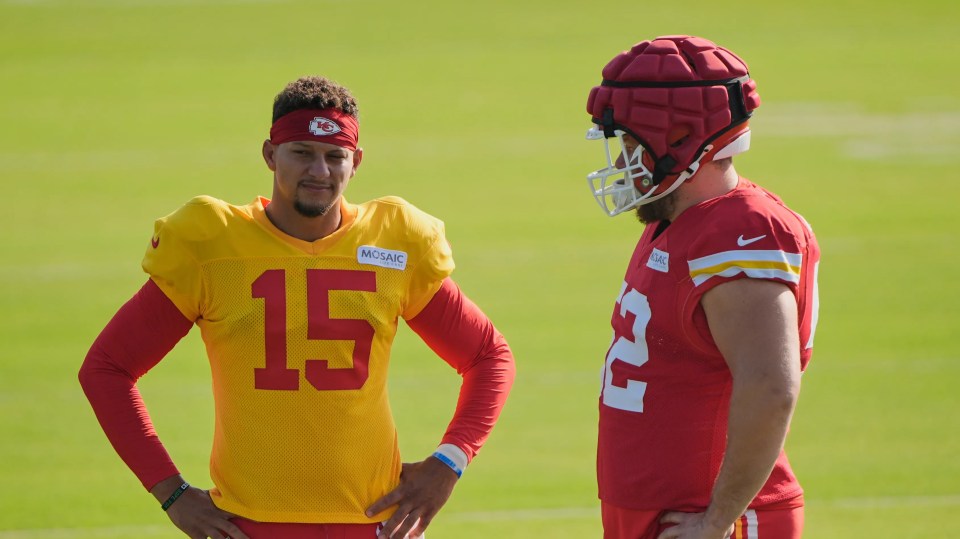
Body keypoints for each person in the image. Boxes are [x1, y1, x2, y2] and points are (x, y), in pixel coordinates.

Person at [79, 75, 515, 539]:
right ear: (270, 154)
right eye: (302, 153)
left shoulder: (395, 242)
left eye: (334, 156)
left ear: (356, 162)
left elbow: (488, 355)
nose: (319, 172)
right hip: (249, 524)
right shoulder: (211, 243)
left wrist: (448, 464)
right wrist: (171, 492)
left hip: (375, 523)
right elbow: (107, 368)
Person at [583, 36, 820, 539]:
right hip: (660, 510)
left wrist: (718, 519)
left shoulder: (741, 232)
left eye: (632, 145)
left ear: (680, 141)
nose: (622, 164)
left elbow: (771, 387)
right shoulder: (673, 217)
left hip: (710, 518)